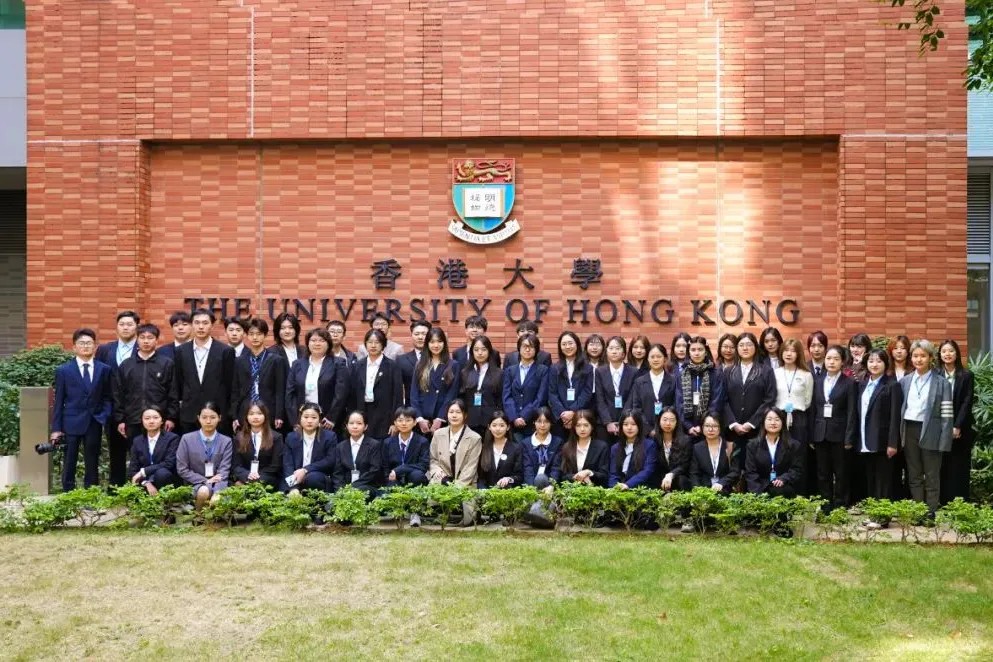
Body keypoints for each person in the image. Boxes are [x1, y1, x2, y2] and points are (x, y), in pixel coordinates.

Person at [51, 328, 113, 491]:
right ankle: (68, 494)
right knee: (69, 460)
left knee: (92, 460)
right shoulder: (64, 370)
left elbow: (108, 396)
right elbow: (59, 401)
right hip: (70, 422)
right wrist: (56, 429)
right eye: (82, 343)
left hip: (94, 421)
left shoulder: (104, 369)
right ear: (74, 347)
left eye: (89, 343)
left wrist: (104, 416)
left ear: (95, 346)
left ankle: (91, 493)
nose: (85, 346)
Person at [898, 340, 953, 515]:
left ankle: (930, 512)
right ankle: (918, 510)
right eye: (915, 356)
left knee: (931, 475)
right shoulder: (905, 381)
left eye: (923, 356)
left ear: (930, 358)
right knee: (913, 474)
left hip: (931, 431)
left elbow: (947, 415)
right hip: (909, 429)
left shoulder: (942, 383)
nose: (918, 359)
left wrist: (944, 442)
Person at [171, 308, 235, 435]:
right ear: (192, 325)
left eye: (205, 323)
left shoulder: (225, 351)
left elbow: (230, 385)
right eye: (197, 322)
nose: (201, 327)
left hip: (217, 415)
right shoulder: (181, 351)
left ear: (212, 325)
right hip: (189, 414)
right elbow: (179, 382)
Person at [112, 323, 177, 445]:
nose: (146, 341)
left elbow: (173, 392)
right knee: (135, 453)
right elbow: (118, 394)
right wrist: (120, 419)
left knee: (159, 453)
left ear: (156, 340)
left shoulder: (166, 364)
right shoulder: (127, 365)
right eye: (142, 337)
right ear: (137, 339)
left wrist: (171, 418)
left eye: (150, 338)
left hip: (159, 420)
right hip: (133, 420)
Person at [96, 310, 140, 486]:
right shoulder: (105, 350)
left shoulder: (143, 347)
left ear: (136, 327)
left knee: (139, 451)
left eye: (129, 324)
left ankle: (139, 489)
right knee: (116, 452)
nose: (125, 328)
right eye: (122, 324)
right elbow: (99, 378)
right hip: (112, 409)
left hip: (138, 410)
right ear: (116, 328)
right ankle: (115, 488)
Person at [810, 345, 858, 510]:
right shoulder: (817, 381)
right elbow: (813, 410)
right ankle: (825, 504)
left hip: (840, 435)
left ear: (842, 362)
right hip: (820, 433)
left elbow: (852, 412)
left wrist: (849, 437)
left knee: (841, 472)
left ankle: (840, 505)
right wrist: (811, 435)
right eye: (829, 358)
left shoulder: (849, 383)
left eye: (836, 359)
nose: (831, 362)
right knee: (823, 472)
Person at [854, 349, 903, 500]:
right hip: (864, 439)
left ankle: (882, 512)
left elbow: (895, 416)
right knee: (870, 479)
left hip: (883, 441)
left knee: (883, 481)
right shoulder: (862, 385)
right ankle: (871, 509)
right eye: (871, 361)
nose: (874, 364)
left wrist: (893, 443)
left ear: (886, 363)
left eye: (878, 361)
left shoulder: (892, 385)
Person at [285, 328, 348, 431]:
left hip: (327, 421)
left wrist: (331, 418)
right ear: (307, 343)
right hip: (303, 420)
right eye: (313, 340)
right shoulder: (297, 364)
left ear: (328, 344)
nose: (317, 344)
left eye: (321, 340)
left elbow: (341, 393)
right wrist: (295, 421)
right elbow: (290, 394)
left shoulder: (338, 363)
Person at [231, 317, 287, 429]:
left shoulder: (276, 360)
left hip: (268, 410)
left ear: (265, 335)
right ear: (246, 335)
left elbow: (280, 390)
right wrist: (234, 416)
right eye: (251, 334)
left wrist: (279, 415)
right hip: (245, 411)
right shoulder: (239, 361)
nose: (255, 337)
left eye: (259, 334)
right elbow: (235, 391)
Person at [723, 332, 776, 452]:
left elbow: (770, 399)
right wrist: (733, 423)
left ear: (755, 347)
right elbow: (723, 399)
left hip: (757, 429)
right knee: (734, 461)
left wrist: (751, 423)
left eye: (749, 344)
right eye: (741, 345)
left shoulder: (766, 371)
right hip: (733, 430)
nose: (745, 348)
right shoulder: (728, 371)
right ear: (737, 348)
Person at [176, 402, 233, 509]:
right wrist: (205, 481)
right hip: (195, 482)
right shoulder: (186, 439)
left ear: (219, 418)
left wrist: (217, 491)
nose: (208, 421)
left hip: (219, 483)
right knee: (203, 491)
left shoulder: (226, 441)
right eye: (204, 417)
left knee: (218, 498)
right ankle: (197, 514)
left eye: (213, 417)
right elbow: (182, 469)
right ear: (198, 418)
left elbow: (224, 470)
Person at [938, 339, 975, 504]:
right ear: (940, 354)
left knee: (959, 465)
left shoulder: (966, 375)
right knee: (943, 465)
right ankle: (944, 501)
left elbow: (967, 401)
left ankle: (960, 502)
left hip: (961, 428)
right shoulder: (936, 374)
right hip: (939, 428)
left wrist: (957, 425)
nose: (947, 354)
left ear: (957, 354)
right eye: (944, 351)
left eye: (951, 351)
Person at [349, 329, 403, 439]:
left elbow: (397, 395)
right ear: (365, 344)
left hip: (384, 416)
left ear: (383, 345)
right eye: (370, 342)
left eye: (377, 342)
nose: (373, 345)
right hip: (362, 413)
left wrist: (395, 422)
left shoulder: (392, 366)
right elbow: (352, 394)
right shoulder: (357, 366)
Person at [411, 327, 460, 435]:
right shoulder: (420, 364)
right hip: (422, 420)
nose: (436, 345)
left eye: (439, 341)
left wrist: (440, 418)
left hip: (443, 418)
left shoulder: (453, 365)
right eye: (432, 342)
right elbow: (414, 394)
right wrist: (419, 418)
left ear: (444, 343)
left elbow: (451, 394)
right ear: (427, 344)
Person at [674, 335, 725, 441]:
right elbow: (679, 402)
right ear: (689, 352)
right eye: (693, 350)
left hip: (709, 427)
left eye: (700, 349)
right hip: (686, 429)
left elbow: (716, 401)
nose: (696, 353)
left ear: (706, 352)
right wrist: (688, 426)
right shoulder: (682, 374)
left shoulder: (715, 374)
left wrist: (703, 425)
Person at [745, 407, 804, 496]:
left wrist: (784, 478)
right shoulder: (753, 445)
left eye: (777, 419)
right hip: (760, 487)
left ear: (782, 422)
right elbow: (751, 472)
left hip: (783, 487)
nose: (773, 423)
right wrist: (757, 494)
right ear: (763, 422)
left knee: (780, 490)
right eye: (769, 419)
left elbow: (796, 469)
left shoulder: (793, 445)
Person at [503, 332, 550, 443]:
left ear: (536, 349)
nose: (528, 350)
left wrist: (524, 416)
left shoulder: (543, 370)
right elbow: (506, 396)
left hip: (533, 422)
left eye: (531, 347)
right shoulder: (510, 370)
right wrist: (514, 417)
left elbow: (541, 397)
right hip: (513, 423)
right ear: (519, 348)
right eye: (524, 346)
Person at [282, 402, 338, 494]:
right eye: (306, 417)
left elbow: (329, 460)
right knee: (283, 486)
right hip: (294, 477)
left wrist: (305, 470)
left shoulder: (330, 437)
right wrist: (293, 487)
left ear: (319, 419)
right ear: (300, 418)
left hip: (317, 476)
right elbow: (288, 464)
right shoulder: (291, 437)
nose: (309, 421)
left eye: (314, 417)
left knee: (313, 478)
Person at [548, 331, 594, 440]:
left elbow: (587, 392)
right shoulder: (555, 368)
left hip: (580, 417)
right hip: (560, 419)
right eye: (564, 344)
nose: (567, 347)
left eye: (570, 343)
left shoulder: (588, 368)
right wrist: (563, 414)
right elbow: (552, 393)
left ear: (577, 344)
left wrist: (573, 412)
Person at [427, 399, 482, 486]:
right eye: (451, 412)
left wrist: (456, 487)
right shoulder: (438, 434)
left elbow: (471, 467)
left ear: (465, 415)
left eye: (458, 412)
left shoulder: (475, 438)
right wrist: (438, 472)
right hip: (440, 481)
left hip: (465, 484)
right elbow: (433, 459)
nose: (454, 415)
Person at [595, 336, 638, 444]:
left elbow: (632, 398)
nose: (614, 352)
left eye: (618, 348)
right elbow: (600, 399)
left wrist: (622, 421)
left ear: (623, 352)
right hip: (604, 423)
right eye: (611, 348)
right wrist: (608, 422)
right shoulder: (600, 372)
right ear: (606, 351)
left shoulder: (633, 372)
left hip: (627, 422)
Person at [459, 335, 504, 438]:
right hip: (470, 421)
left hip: (491, 422)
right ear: (472, 352)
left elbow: (501, 400)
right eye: (476, 350)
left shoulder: (499, 373)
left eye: (484, 349)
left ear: (489, 351)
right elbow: (461, 397)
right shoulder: (465, 372)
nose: (480, 353)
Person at [128, 406, 179, 494]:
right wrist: (146, 483)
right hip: (144, 481)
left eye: (155, 418)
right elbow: (133, 469)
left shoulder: (172, 438)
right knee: (133, 478)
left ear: (162, 420)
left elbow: (169, 463)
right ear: (142, 421)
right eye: (147, 418)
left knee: (162, 473)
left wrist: (143, 471)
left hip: (165, 480)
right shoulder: (137, 440)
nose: (151, 421)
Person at [231, 403, 284, 489]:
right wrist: (247, 475)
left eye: (259, 413)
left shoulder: (276, 437)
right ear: (246, 417)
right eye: (251, 414)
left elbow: (276, 465)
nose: (255, 417)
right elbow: (236, 465)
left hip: (267, 478)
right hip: (246, 477)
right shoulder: (239, 438)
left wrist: (258, 475)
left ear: (265, 416)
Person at [551, 409, 609, 486]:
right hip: (570, 490)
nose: (582, 429)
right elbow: (562, 475)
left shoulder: (602, 447)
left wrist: (589, 473)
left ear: (592, 426)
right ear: (574, 427)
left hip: (594, 489)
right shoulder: (567, 447)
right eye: (578, 425)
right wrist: (576, 477)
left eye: (586, 425)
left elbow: (604, 476)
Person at [628, 343, 676, 435]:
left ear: (665, 359)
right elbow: (637, 408)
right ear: (648, 359)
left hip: (668, 430)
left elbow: (675, 405)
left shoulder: (673, 380)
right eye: (652, 357)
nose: (655, 359)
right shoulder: (639, 382)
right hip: (645, 432)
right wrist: (648, 430)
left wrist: (665, 426)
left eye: (659, 356)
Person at [332, 410, 384, 495]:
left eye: (359, 423)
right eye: (351, 423)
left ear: (365, 426)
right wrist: (340, 491)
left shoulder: (374, 445)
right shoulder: (340, 447)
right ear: (346, 426)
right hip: (345, 488)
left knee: (362, 490)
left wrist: (352, 487)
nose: (355, 426)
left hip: (367, 486)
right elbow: (337, 473)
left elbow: (374, 470)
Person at [774, 338, 813, 444]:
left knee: (798, 449)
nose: (789, 354)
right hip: (778, 416)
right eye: (786, 350)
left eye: (793, 351)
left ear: (798, 354)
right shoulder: (775, 373)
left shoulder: (806, 374)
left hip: (799, 417)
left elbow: (808, 400)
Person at [689, 412, 739, 494]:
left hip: (725, 490)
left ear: (720, 427)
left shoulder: (730, 446)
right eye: (707, 426)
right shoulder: (697, 448)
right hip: (704, 492)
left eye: (715, 426)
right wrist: (698, 492)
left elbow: (735, 471)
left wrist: (721, 483)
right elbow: (694, 474)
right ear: (702, 427)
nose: (710, 429)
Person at [608, 409, 659, 489]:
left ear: (639, 426)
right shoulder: (615, 448)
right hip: (620, 489)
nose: (629, 428)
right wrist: (614, 487)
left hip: (642, 489)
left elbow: (648, 470)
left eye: (633, 424)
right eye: (625, 424)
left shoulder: (649, 445)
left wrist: (628, 485)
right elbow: (613, 474)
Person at [382, 406, 430, 488]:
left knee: (417, 475)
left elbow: (423, 465)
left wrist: (400, 469)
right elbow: (385, 466)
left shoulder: (422, 441)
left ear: (415, 422)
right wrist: (389, 478)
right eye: (400, 420)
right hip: (394, 478)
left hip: (413, 478)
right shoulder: (388, 442)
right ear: (395, 422)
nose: (404, 423)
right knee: (391, 486)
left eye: (408, 420)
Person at [477, 411, 524, 488]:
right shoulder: (484, 447)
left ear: (508, 427)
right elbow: (481, 478)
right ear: (489, 427)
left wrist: (509, 479)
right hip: (487, 493)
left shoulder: (516, 448)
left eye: (502, 425)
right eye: (494, 425)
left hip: (508, 492)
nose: (498, 429)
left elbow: (519, 476)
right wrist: (483, 491)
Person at [521, 407, 562, 487]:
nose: (542, 425)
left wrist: (551, 486)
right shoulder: (525, 443)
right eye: (539, 421)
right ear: (534, 422)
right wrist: (531, 489)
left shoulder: (558, 442)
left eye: (546, 421)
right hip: (531, 486)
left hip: (550, 485)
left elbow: (556, 468)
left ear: (551, 423)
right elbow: (528, 469)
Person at [655, 407, 692, 492]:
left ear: (677, 422)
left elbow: (685, 465)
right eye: (665, 420)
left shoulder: (685, 440)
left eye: (672, 420)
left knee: (682, 480)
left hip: (678, 481)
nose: (668, 423)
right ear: (659, 421)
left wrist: (671, 474)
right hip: (659, 481)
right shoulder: (653, 440)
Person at [397, 320, 430, 406]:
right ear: (411, 336)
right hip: (411, 408)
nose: (420, 337)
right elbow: (397, 389)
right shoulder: (401, 360)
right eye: (416, 334)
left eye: (424, 334)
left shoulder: (439, 359)